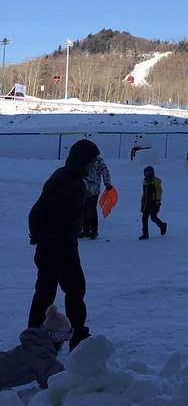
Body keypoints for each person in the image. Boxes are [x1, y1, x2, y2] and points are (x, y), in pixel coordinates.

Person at [28, 139, 98, 351]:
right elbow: (36, 212)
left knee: (76, 289)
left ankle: (78, 336)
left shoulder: (76, 181)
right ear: (81, 160)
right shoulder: (62, 181)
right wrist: (41, 237)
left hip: (68, 245)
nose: (93, 166)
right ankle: (33, 340)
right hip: (52, 247)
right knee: (45, 295)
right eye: (91, 162)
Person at [0, 305, 72, 391]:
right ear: (56, 337)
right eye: (64, 337)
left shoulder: (34, 344)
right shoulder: (42, 355)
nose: (65, 341)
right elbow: (57, 378)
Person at [81, 151, 112, 239]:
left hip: (94, 190)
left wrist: (107, 183)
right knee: (83, 210)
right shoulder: (82, 160)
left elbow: (105, 171)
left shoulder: (98, 160)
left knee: (91, 210)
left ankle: (94, 231)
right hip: (83, 189)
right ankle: (86, 230)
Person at [139, 165, 167, 240]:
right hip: (146, 203)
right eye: (145, 173)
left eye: (147, 172)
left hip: (153, 203)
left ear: (151, 172)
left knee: (153, 218)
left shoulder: (156, 181)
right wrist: (142, 203)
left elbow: (159, 191)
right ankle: (145, 234)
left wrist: (157, 201)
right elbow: (144, 194)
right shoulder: (145, 182)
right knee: (144, 218)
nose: (146, 174)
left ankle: (162, 225)